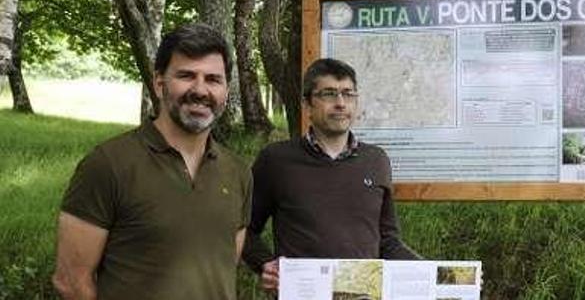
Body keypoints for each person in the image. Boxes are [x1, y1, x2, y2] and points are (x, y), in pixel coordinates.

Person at [52, 23, 252, 300]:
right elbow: (71, 281)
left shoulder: (238, 173)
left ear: (226, 91)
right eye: (186, 76)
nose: (200, 90)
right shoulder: (108, 164)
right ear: (159, 84)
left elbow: (224, 265)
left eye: (213, 79)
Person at [243, 58, 419, 290]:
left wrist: (435, 274)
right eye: (328, 94)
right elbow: (243, 228)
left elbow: (389, 241)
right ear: (307, 104)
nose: (340, 103)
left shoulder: (376, 160)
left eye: (348, 94)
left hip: (363, 293)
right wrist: (265, 264)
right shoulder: (276, 160)